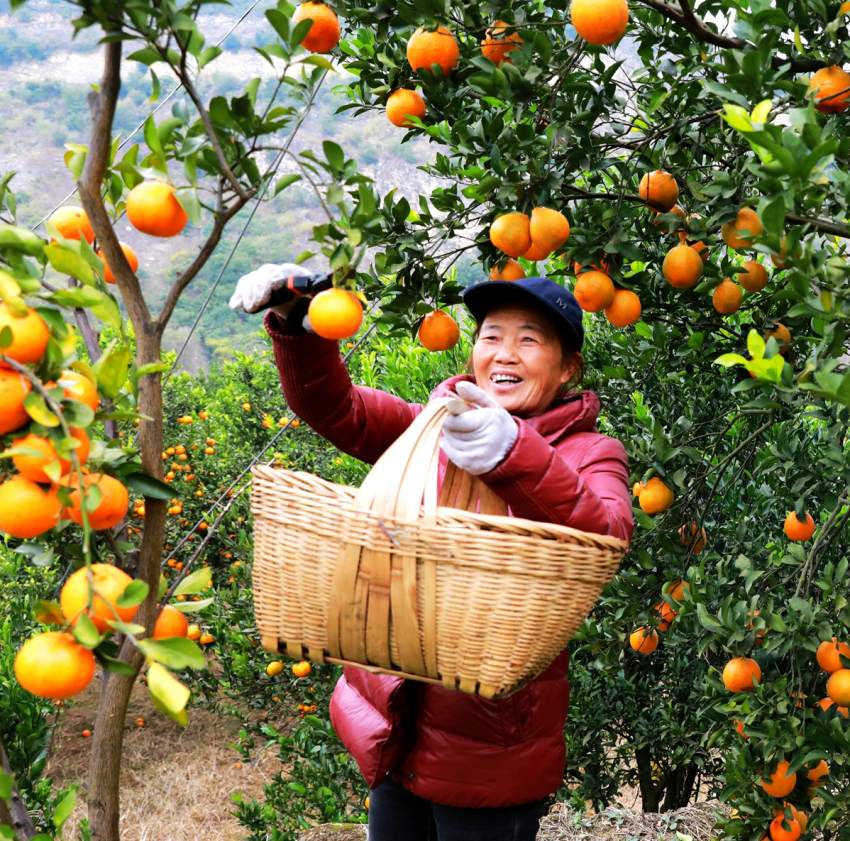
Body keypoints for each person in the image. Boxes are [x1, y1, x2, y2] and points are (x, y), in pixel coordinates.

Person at [229, 264, 634, 841]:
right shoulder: (435, 430)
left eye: (529, 339)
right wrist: (301, 327)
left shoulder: (591, 450)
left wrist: (515, 453)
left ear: (568, 367)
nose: (505, 353)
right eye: (491, 336)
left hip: (490, 748)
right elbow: (338, 409)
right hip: (399, 725)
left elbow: (608, 532)